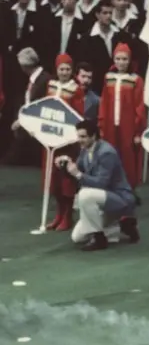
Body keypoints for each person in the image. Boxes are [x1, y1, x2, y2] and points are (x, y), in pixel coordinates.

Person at [56, 118, 139, 251]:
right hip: (102, 199)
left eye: (83, 137)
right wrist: (66, 164)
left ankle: (99, 238)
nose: (79, 140)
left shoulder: (107, 152)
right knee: (77, 237)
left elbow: (101, 183)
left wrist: (78, 174)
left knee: (85, 195)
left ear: (93, 136)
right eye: (78, 136)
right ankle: (122, 225)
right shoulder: (85, 149)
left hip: (119, 197)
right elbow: (77, 170)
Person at [44, 54, 85, 231]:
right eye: (62, 69)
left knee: (66, 179)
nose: (64, 72)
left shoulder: (75, 89)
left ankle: (67, 216)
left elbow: (78, 114)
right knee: (53, 179)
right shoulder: (51, 85)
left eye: (68, 69)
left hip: (67, 140)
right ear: (57, 69)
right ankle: (58, 214)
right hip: (51, 138)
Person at [98, 43, 145, 191]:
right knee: (109, 155)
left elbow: (139, 106)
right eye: (118, 59)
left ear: (129, 60)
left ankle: (127, 189)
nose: (121, 62)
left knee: (128, 158)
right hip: (110, 125)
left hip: (128, 126)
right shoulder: (108, 78)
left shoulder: (136, 80)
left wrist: (138, 131)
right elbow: (104, 103)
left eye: (124, 59)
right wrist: (101, 125)